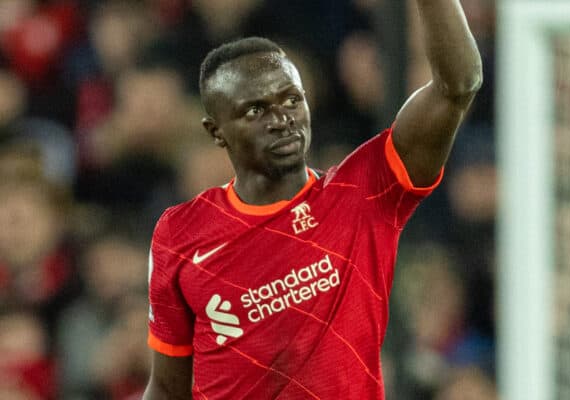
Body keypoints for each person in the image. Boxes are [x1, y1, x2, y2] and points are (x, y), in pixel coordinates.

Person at [143, 0, 482, 398]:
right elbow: (167, 389)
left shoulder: (365, 191)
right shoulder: (179, 232)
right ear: (216, 132)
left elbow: (458, 85)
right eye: (256, 110)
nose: (282, 118)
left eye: (291, 100)